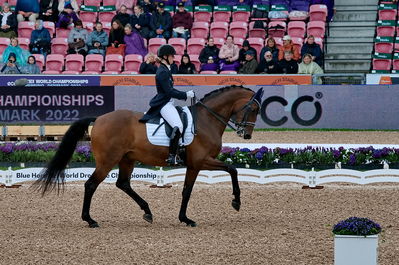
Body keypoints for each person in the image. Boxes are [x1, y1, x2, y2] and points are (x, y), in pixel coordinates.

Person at [139, 45, 195, 165]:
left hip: (168, 102)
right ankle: (172, 156)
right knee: (178, 125)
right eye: (171, 56)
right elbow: (169, 91)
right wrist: (185, 95)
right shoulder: (162, 71)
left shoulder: (166, 69)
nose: (173, 58)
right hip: (163, 104)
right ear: (165, 56)